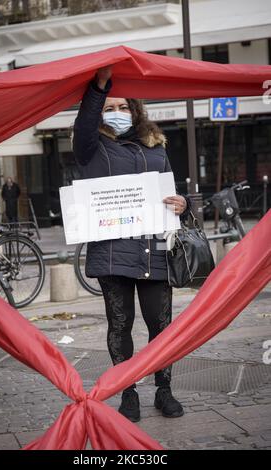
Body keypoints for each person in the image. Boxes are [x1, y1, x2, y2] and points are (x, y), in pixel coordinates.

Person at [73, 66, 189, 423]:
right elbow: (86, 121)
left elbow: (170, 191)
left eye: (124, 107)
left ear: (136, 110)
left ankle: (164, 391)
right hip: (113, 252)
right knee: (120, 326)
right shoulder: (91, 145)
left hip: (154, 249)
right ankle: (128, 393)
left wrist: (183, 205)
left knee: (161, 325)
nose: (117, 113)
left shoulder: (156, 145)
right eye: (111, 106)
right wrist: (99, 88)